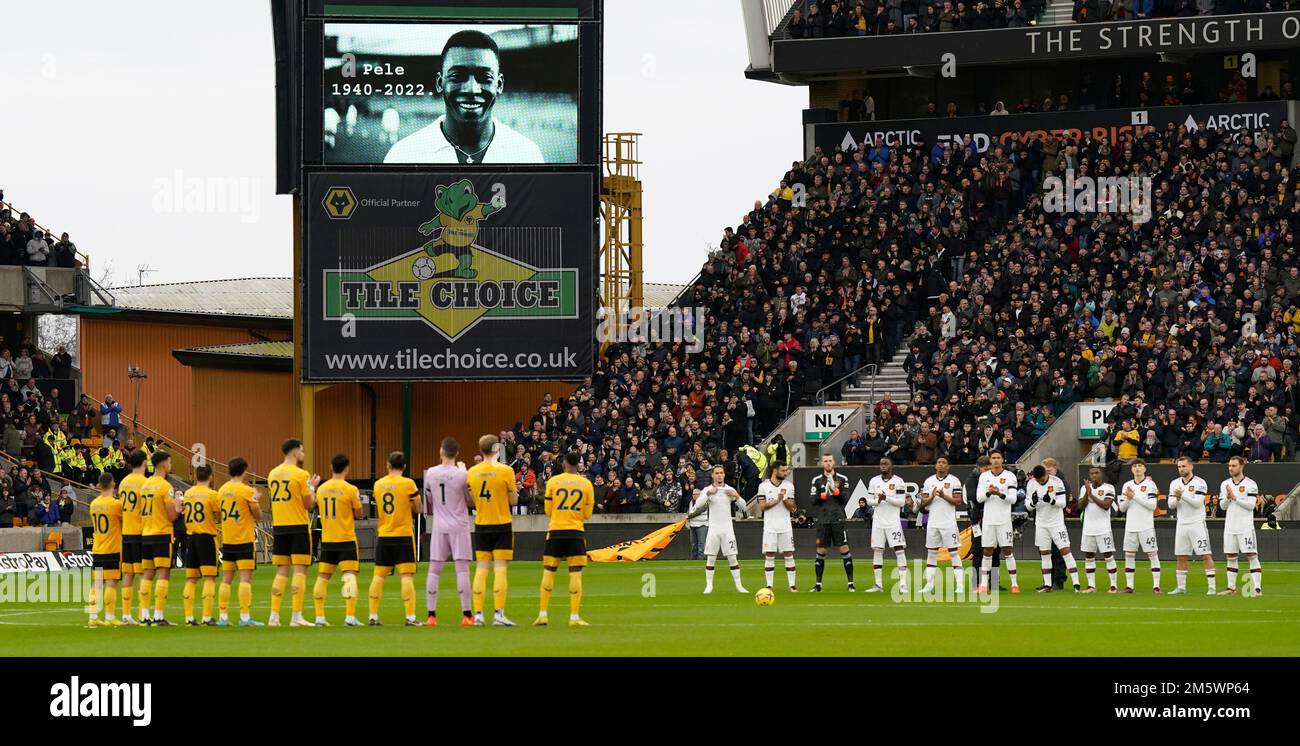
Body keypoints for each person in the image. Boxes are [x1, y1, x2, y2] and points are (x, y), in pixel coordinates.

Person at [384, 30, 544, 164]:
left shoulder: (528, 155)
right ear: (440, 83)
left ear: (499, 84)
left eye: (485, 77)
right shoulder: (402, 156)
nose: (472, 89)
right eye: (457, 76)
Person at [534, 451, 595, 627]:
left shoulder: (553, 482)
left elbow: (547, 511)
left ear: (564, 464)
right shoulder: (586, 484)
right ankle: (574, 616)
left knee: (548, 571)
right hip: (575, 532)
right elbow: (588, 514)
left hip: (555, 531)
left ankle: (543, 614)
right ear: (579, 465)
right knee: (575, 573)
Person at [266, 439, 320, 627]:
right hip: (298, 526)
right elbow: (308, 504)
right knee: (299, 570)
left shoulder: (272, 474)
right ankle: (296, 616)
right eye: (302, 451)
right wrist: (312, 488)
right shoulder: (300, 474)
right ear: (295, 452)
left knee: (281, 572)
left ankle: (274, 616)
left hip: (279, 526)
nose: (303, 454)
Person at [422, 438, 475, 627]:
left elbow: (429, 496)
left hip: (439, 526)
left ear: (441, 451)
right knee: (461, 569)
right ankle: (467, 615)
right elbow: (471, 501)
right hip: (459, 526)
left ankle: (431, 615)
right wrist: (463, 471)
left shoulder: (431, 473)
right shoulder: (462, 475)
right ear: (457, 453)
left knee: (434, 569)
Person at [467, 434, 518, 626]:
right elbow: (514, 501)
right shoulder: (506, 471)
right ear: (497, 449)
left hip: (481, 524)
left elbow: (473, 498)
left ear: (481, 450)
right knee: (500, 568)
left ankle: (478, 614)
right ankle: (499, 614)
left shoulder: (472, 472)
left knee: (481, 568)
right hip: (502, 523)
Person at [367, 452, 423, 626]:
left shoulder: (378, 484)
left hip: (384, 534)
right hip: (403, 535)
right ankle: (410, 617)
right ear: (404, 466)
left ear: (387, 465)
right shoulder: (408, 484)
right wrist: (412, 503)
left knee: (378, 576)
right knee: (406, 576)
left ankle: (373, 615)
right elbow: (419, 509)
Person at [314, 454, 364, 626]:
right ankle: (349, 616)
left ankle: (319, 617)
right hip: (346, 539)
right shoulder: (350, 489)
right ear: (347, 468)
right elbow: (359, 514)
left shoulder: (321, 489)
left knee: (323, 577)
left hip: (327, 539)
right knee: (349, 576)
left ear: (331, 467)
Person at [685, 464, 749, 594]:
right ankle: (709, 586)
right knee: (711, 558)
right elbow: (697, 505)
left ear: (724, 474)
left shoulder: (730, 489)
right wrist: (708, 493)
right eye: (717, 473)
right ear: (712, 475)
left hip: (727, 529)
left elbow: (744, 506)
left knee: (732, 558)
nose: (720, 475)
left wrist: (736, 496)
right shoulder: (708, 490)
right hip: (713, 529)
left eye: (721, 472)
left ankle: (739, 586)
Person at [216, 457, 264, 627]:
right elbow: (258, 515)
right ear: (244, 470)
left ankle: (223, 616)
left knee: (226, 579)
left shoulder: (221, 490)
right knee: (245, 579)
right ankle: (244, 617)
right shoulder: (246, 491)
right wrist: (256, 499)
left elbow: (218, 515)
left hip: (228, 540)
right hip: (244, 540)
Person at [139, 451, 182, 625]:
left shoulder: (145, 485)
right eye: (170, 463)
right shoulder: (165, 487)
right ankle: (158, 615)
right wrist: (179, 507)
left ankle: (143, 615)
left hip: (146, 532)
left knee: (147, 574)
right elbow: (172, 515)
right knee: (164, 573)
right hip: (162, 533)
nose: (170, 466)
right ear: (164, 465)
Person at [1025, 464, 1080, 592]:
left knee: (1065, 551)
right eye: (1038, 480)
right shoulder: (1031, 484)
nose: (1040, 482)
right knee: (1045, 553)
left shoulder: (1057, 482)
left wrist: (1052, 501)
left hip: (1056, 523)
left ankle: (1076, 584)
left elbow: (1063, 503)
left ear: (1046, 475)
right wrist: (1032, 503)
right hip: (1041, 523)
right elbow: (1028, 505)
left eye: (1042, 480)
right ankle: (1047, 585)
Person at [1167, 456, 1216, 595]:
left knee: (1205, 555)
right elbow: (1171, 505)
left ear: (1191, 466)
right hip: (1182, 523)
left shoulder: (1200, 483)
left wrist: (1182, 496)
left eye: (1184, 466)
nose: (1181, 469)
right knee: (1181, 556)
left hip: (1197, 523)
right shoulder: (1174, 483)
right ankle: (1181, 588)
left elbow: (1197, 503)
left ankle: (1211, 587)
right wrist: (1177, 497)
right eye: (1179, 467)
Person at [180, 465, 221, 626]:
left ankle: (189, 617)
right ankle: (207, 616)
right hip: (206, 537)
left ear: (196, 476)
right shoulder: (212, 495)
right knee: (209, 577)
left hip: (191, 537)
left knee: (191, 578)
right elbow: (218, 516)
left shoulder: (188, 493)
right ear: (210, 477)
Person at [808, 453, 854, 592]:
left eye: (830, 460)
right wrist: (822, 497)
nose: (827, 463)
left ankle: (850, 583)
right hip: (823, 519)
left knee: (844, 549)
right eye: (825, 461)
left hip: (838, 519)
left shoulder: (842, 479)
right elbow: (813, 500)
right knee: (821, 550)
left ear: (834, 462)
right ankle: (818, 585)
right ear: (822, 463)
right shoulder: (816, 480)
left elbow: (845, 498)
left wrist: (836, 492)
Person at [919, 456, 965, 594]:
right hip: (933, 523)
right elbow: (924, 502)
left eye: (943, 463)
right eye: (938, 462)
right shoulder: (929, 481)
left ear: (948, 466)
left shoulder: (954, 481)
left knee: (954, 553)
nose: (940, 464)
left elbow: (958, 502)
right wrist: (933, 496)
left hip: (949, 523)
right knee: (931, 553)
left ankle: (960, 585)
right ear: (935, 466)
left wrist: (943, 495)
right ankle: (929, 585)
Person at [976, 451, 1019, 593]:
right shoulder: (984, 476)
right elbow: (979, 498)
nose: (995, 460)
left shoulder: (1010, 476)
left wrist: (999, 493)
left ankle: (1014, 584)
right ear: (990, 460)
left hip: (1004, 520)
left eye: (998, 458)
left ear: (1002, 460)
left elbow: (1013, 499)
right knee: (987, 551)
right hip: (988, 520)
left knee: (1007, 550)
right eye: (993, 458)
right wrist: (989, 493)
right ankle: (983, 585)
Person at [1219, 456, 1261, 596]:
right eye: (1229, 466)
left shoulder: (1251, 484)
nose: (1231, 468)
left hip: (1245, 526)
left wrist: (1236, 498)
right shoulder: (1225, 484)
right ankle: (1231, 588)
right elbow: (1222, 506)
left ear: (1241, 467)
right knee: (1231, 556)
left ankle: (1257, 589)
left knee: (1251, 555)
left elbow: (1251, 506)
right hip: (1230, 526)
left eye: (1234, 466)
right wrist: (1228, 497)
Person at [866, 457, 909, 594]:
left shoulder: (899, 481)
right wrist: (878, 500)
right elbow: (869, 501)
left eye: (886, 463)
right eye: (881, 464)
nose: (883, 466)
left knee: (899, 550)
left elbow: (901, 502)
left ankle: (903, 584)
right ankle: (878, 584)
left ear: (891, 465)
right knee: (877, 550)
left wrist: (886, 498)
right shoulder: (874, 481)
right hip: (878, 522)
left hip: (893, 522)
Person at [1117, 460, 1161, 593]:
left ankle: (1156, 586)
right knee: (1129, 555)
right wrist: (1129, 498)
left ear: (1144, 469)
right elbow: (1122, 508)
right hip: (1131, 526)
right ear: (1131, 470)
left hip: (1146, 526)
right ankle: (1129, 586)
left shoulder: (1150, 485)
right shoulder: (1127, 485)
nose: (1137, 468)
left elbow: (1152, 506)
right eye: (1135, 466)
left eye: (1140, 466)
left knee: (1152, 554)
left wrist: (1134, 496)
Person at [116, 449, 148, 625]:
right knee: (144, 573)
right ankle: (144, 613)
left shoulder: (124, 483)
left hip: (126, 532)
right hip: (140, 531)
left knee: (128, 574)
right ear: (144, 463)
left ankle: (127, 614)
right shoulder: (145, 483)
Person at [87, 472, 124, 627]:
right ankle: (110, 617)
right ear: (113, 484)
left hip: (97, 549)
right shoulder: (116, 504)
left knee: (97, 583)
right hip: (112, 548)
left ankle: (93, 616)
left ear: (99, 485)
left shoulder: (94, 504)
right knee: (111, 583)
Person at [757, 461, 798, 593]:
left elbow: (792, 508)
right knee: (770, 554)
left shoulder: (789, 486)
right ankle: (769, 585)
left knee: (789, 553)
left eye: (786, 470)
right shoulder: (763, 486)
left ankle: (792, 585)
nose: (785, 473)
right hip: (770, 526)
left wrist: (785, 499)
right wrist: (777, 500)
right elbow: (762, 507)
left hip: (785, 526)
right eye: (783, 470)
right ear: (775, 470)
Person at [1078, 467, 1118, 593]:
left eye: (1096, 473)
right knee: (1089, 556)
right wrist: (1086, 493)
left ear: (1101, 474)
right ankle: (1091, 586)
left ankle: (1113, 586)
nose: (1094, 475)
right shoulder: (1084, 488)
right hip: (1088, 528)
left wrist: (1092, 496)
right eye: (1092, 473)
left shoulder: (1109, 488)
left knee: (1108, 555)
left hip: (1103, 528)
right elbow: (1081, 506)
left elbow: (1106, 506)